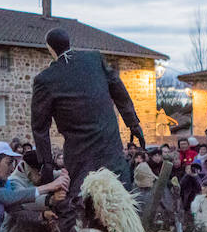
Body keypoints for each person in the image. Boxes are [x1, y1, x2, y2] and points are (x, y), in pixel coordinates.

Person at [30, 28, 145, 198]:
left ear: (50, 49)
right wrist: (133, 124)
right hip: (110, 149)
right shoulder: (94, 59)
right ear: (69, 42)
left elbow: (39, 127)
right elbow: (119, 91)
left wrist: (46, 162)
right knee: (122, 199)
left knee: (81, 203)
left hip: (80, 157)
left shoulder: (45, 79)